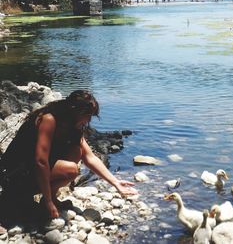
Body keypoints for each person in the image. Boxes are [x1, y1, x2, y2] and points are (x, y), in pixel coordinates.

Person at [0, 90, 137, 223]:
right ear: (74, 110)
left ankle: (50, 198)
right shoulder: (49, 119)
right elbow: (40, 161)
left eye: (91, 115)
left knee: (76, 151)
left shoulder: (73, 126)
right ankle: (41, 200)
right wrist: (48, 202)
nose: (88, 119)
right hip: (14, 174)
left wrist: (115, 183)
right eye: (87, 114)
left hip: (31, 170)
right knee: (71, 169)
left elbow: (90, 157)